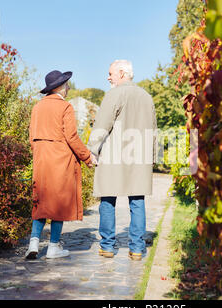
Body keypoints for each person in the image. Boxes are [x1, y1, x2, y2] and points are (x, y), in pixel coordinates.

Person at [88, 60, 157, 261]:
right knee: (137, 201)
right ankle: (136, 248)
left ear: (121, 73)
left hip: (113, 157)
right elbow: (153, 130)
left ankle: (107, 246)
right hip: (139, 157)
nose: (108, 77)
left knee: (107, 199)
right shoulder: (146, 96)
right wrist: (152, 157)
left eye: (110, 74)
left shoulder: (114, 94)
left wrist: (92, 150)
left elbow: (102, 125)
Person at [25, 70, 95, 260]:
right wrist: (87, 157)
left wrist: (40, 152)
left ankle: (33, 243)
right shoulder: (65, 107)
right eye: (67, 85)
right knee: (59, 203)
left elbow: (31, 138)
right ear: (60, 87)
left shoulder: (37, 107)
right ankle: (53, 247)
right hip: (61, 159)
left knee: (40, 200)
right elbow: (71, 137)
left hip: (41, 160)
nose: (69, 87)